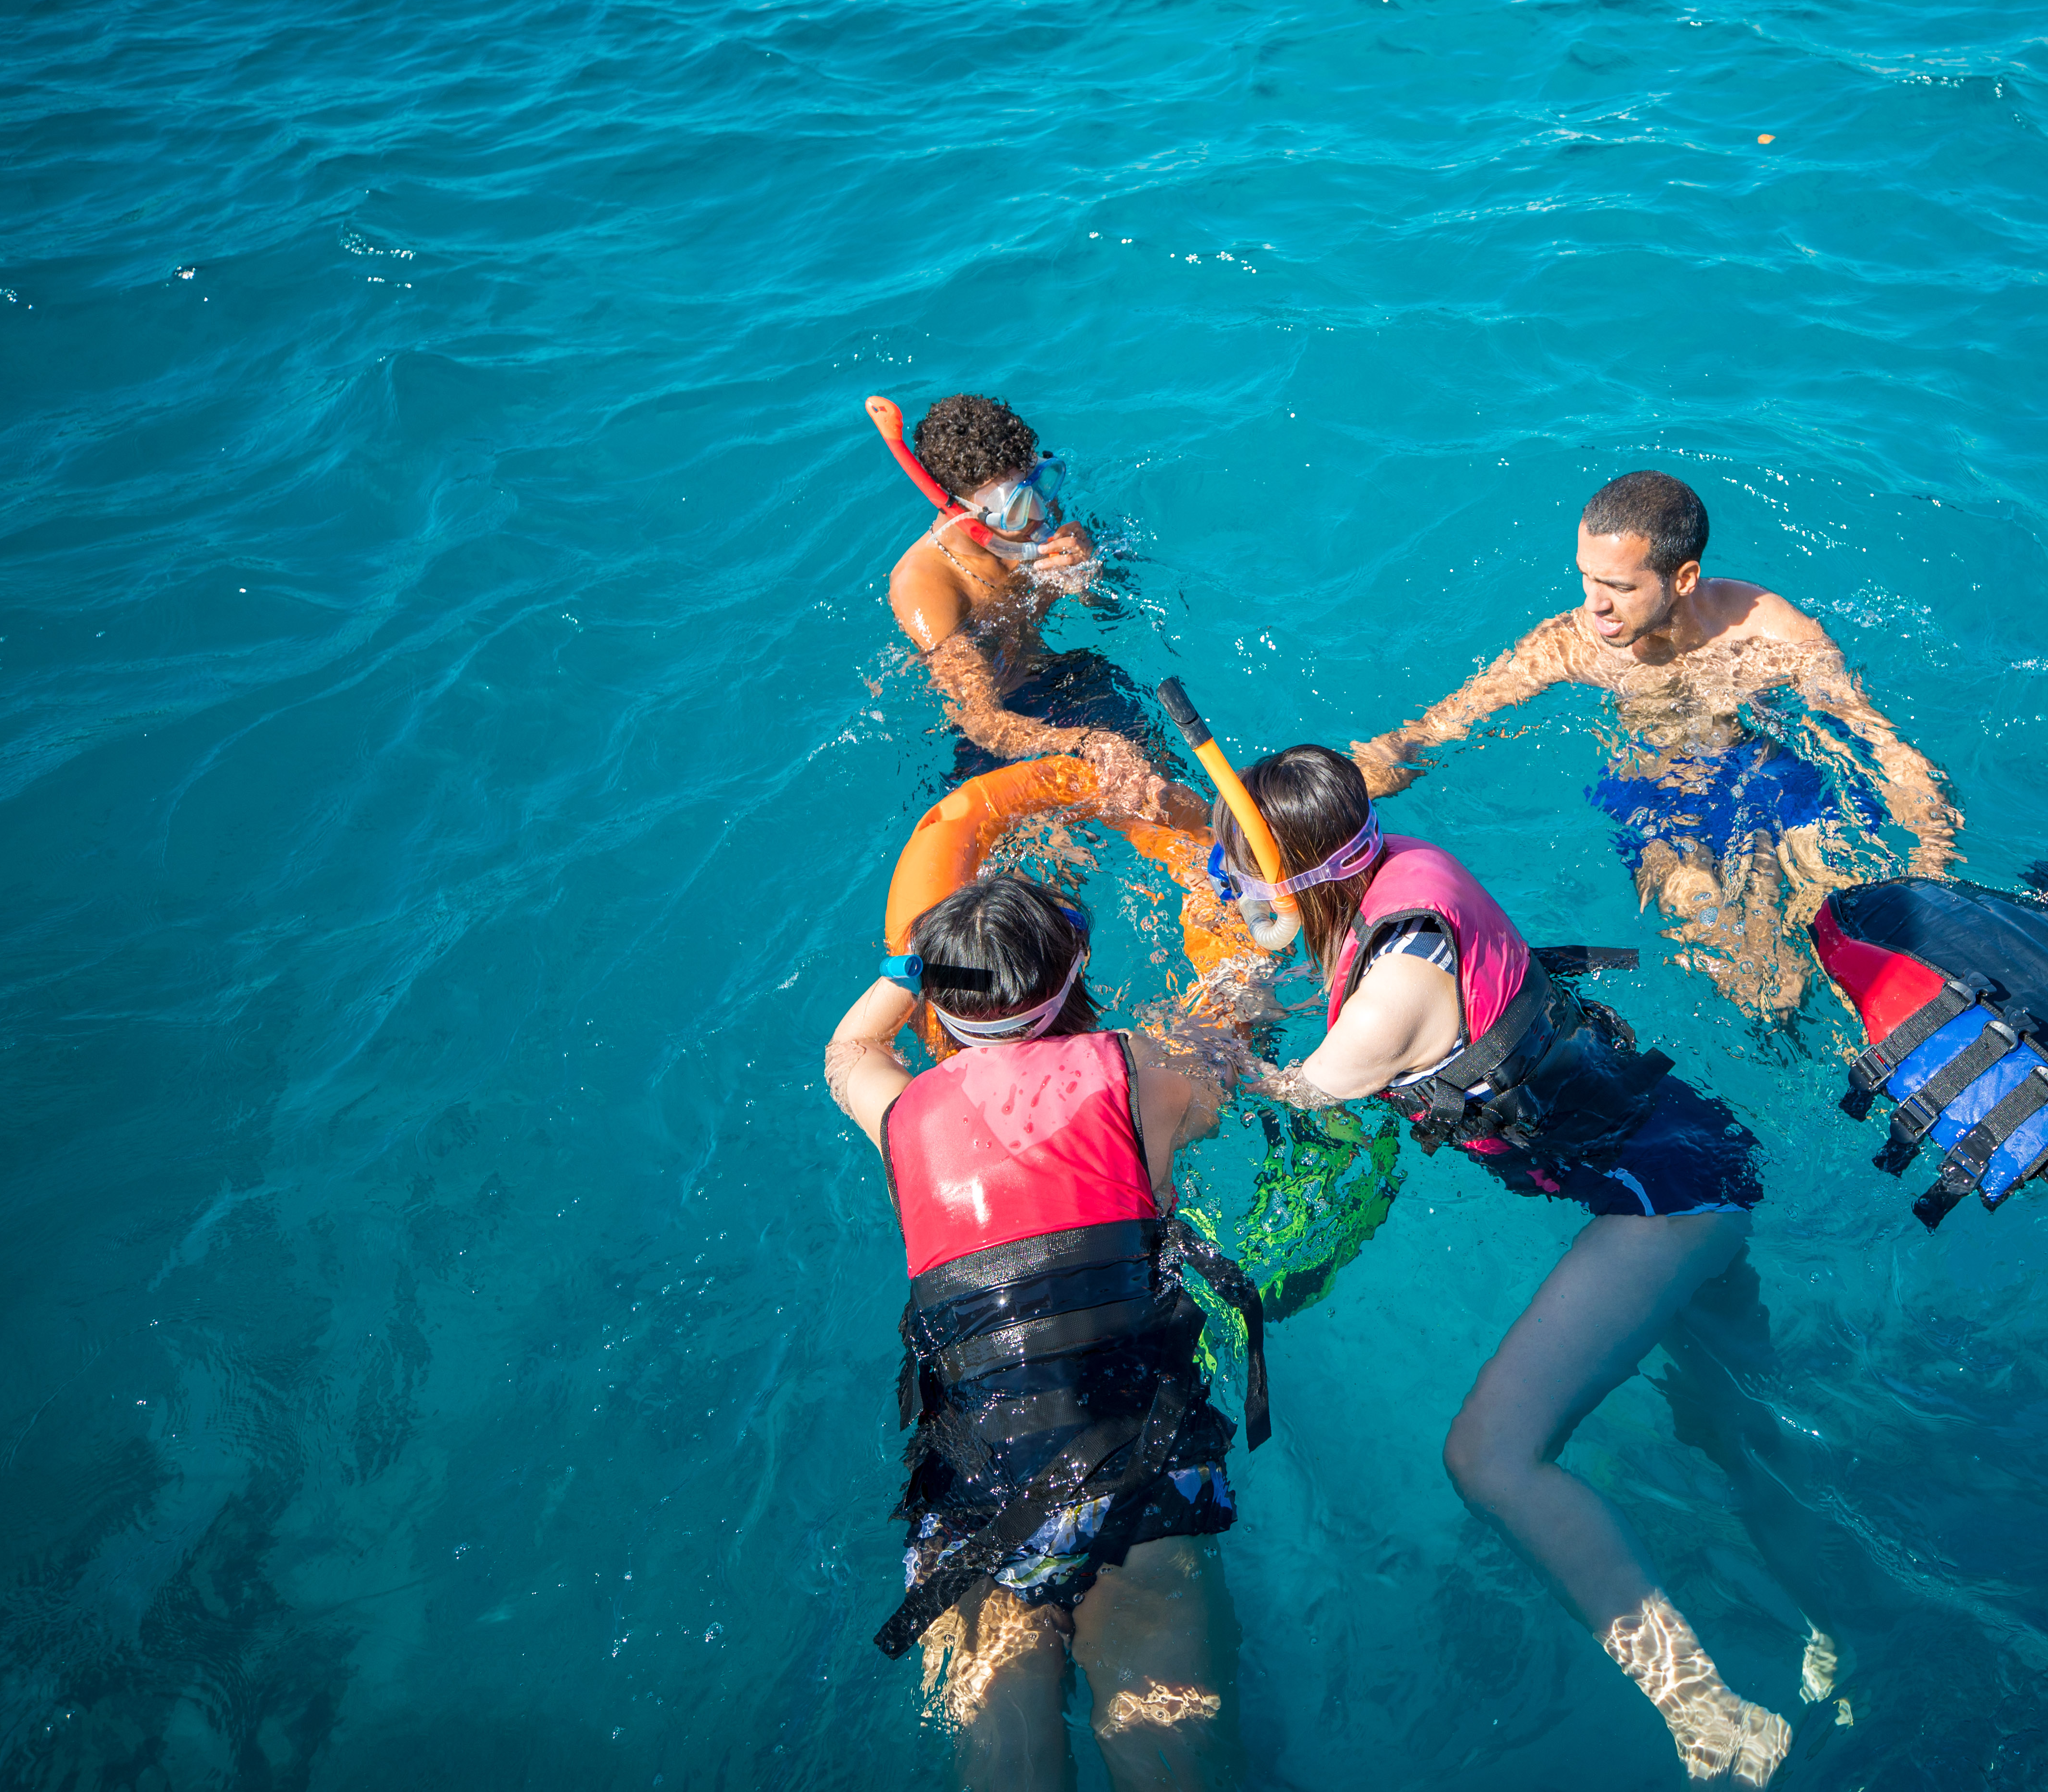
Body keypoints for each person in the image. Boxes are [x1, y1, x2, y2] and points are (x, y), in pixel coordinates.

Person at [1214, 745, 1794, 1786]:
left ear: (1300, 882)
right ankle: (1819, 1603)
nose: (1233, 897)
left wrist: (1206, 1045)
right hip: (1690, 1145)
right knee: (1730, 1425)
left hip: (1661, 1201)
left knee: (1488, 1459)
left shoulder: (1389, 1000)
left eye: (1243, 882)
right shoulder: (1403, 871)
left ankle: (1711, 1712)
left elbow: (1296, 1088)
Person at [824, 876, 1265, 1792]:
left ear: (937, 1002)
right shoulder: (1136, 1071)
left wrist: (907, 971)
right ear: (1078, 967)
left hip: (974, 1497)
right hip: (1136, 1476)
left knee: (1006, 1770)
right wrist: (1253, 952)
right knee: (1174, 1767)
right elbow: (1230, 1063)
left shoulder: (902, 1115)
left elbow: (849, 1049)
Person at [1352, 469, 1963, 1014]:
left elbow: (1881, 743)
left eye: (1619, 586)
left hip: (1771, 777)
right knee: (1754, 981)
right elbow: (1439, 726)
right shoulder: (1574, 644)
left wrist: (1932, 849)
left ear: (1685, 577)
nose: (1594, 605)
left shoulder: (1771, 637)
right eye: (1586, 577)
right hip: (1658, 794)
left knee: (1845, 925)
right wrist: (1357, 786)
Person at [886, 392, 1200, 828]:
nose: (1041, 512)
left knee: (1163, 790)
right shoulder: (926, 586)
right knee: (1080, 836)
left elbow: (1111, 614)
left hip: (1065, 680)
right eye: (1018, 506)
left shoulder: (1034, 518)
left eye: (1041, 484)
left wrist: (1088, 578)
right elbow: (982, 721)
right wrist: (1086, 742)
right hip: (1005, 735)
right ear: (962, 511)